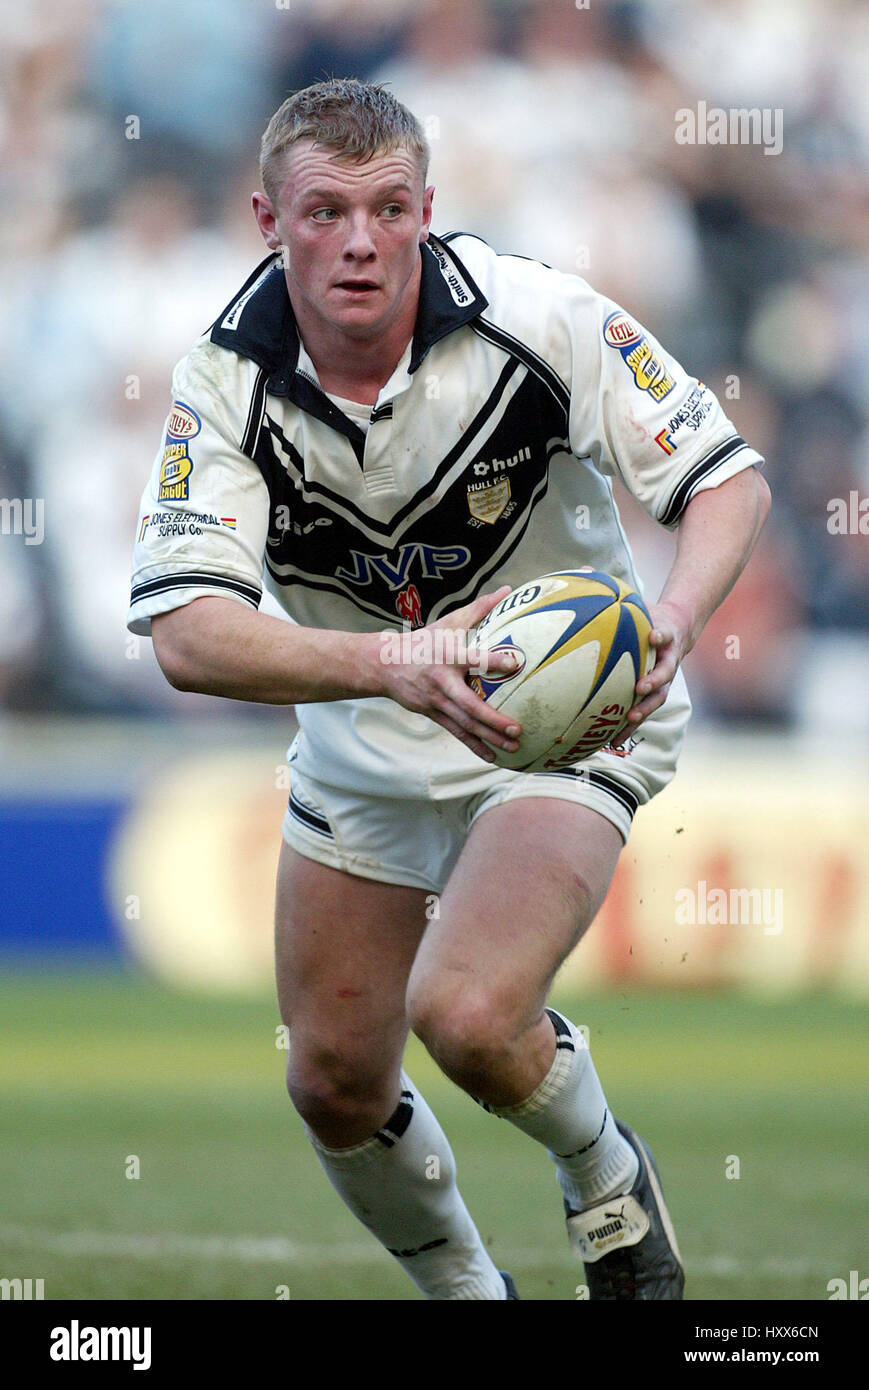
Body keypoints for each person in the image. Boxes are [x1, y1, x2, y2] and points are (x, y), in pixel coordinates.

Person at [127, 78, 770, 1301]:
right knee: (329, 1080)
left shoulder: (542, 317)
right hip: (366, 740)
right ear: (267, 218)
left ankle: (603, 1177)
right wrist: (394, 664)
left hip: (565, 722)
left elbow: (723, 480)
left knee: (468, 1013)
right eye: (324, 212)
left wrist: (674, 619)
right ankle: (473, 1296)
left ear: (428, 208)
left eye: (386, 208)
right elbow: (187, 634)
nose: (358, 242)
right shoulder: (222, 384)